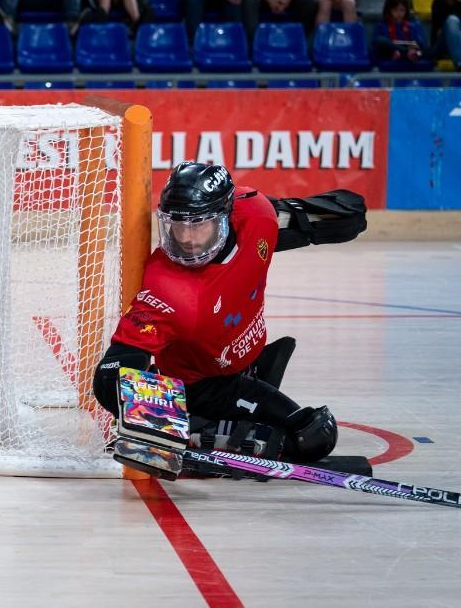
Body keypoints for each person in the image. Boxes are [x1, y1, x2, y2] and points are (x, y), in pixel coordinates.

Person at [92, 162, 368, 467]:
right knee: (312, 437)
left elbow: (297, 221)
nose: (187, 239)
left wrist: (336, 218)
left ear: (225, 215)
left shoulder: (256, 213)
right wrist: (157, 424)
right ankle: (195, 429)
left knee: (318, 431)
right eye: (177, 225)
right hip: (202, 385)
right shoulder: (166, 289)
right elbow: (110, 376)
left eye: (199, 224)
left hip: (245, 363)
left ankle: (214, 425)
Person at [372, 0, 429, 70]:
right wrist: (402, 51)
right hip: (390, 54)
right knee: (381, 41)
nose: (399, 13)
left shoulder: (413, 24)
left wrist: (415, 52)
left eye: (402, 10)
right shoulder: (382, 24)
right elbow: (377, 42)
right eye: (395, 10)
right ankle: (404, 52)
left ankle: (404, 53)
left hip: (411, 54)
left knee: (424, 51)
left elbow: (421, 44)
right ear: (389, 10)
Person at [431, 0, 461, 68]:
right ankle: (459, 64)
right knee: (452, 21)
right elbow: (438, 33)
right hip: (443, 45)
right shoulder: (440, 1)